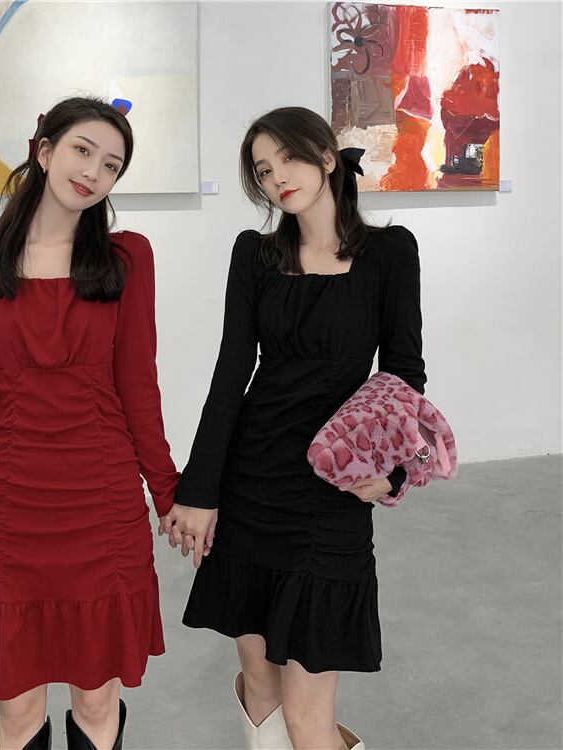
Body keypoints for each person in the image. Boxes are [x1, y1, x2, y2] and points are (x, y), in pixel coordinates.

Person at [0, 96, 179, 750]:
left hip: (103, 503)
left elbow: (139, 390)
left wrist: (169, 494)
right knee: (17, 707)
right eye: (82, 150)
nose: (93, 171)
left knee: (97, 700)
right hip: (10, 509)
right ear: (43, 151)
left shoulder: (126, 260)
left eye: (111, 164)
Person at [160, 107, 426, 750]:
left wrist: (391, 472)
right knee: (259, 682)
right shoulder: (254, 255)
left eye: (288, 158)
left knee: (308, 714)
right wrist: (199, 491)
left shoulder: (390, 252)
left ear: (327, 158)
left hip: (331, 492)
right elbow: (231, 373)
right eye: (262, 170)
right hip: (252, 481)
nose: (277, 176)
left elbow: (404, 374)